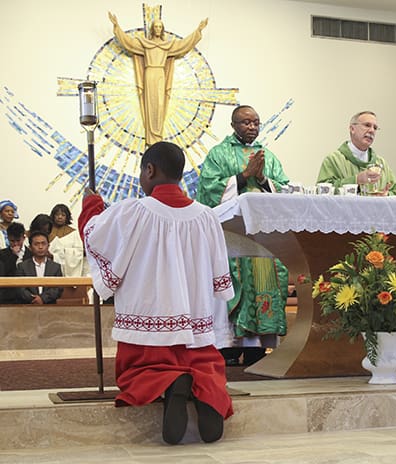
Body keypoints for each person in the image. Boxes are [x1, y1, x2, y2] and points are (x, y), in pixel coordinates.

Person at [79, 141, 235, 445]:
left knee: (140, 369)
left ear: (149, 170)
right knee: (204, 364)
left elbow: (94, 234)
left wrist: (91, 205)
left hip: (148, 322)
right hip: (194, 321)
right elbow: (220, 277)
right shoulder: (206, 216)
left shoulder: (132, 211)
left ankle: (171, 381)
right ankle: (209, 394)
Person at [197, 105, 289, 367]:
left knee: (264, 284)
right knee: (232, 283)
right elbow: (207, 190)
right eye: (246, 122)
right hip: (232, 237)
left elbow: (284, 187)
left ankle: (256, 348)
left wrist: (262, 180)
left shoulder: (268, 156)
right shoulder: (218, 154)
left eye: (256, 122)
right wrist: (242, 177)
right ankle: (228, 347)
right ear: (233, 125)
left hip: (262, 238)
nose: (252, 127)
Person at [108, 12, 208, 146]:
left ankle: (157, 134)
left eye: (160, 27)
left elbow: (184, 44)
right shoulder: (145, 44)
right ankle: (150, 136)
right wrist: (117, 26)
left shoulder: (168, 46)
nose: (158, 29)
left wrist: (198, 31)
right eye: (156, 27)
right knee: (150, 104)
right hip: (149, 74)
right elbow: (128, 43)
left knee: (160, 105)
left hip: (161, 74)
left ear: (162, 29)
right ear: (152, 29)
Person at [316, 111, 396, 195]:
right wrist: (356, 180)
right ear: (352, 129)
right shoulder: (333, 160)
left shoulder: (381, 163)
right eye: (367, 125)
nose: (372, 130)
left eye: (375, 128)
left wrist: (386, 195)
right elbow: (321, 192)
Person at [16, 231, 63, 304]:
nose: (40, 247)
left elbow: (58, 289)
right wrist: (33, 299)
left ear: (48, 246)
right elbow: (20, 288)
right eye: (36, 244)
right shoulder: (22, 266)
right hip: (28, 306)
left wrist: (42, 299)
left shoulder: (55, 267)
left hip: (50, 306)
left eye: (43, 243)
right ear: (30, 247)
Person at [48, 204, 86, 278]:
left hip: (67, 270)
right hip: (49, 268)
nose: (60, 217)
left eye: (63, 215)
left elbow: (79, 252)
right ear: (53, 216)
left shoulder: (74, 233)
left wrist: (63, 254)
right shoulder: (48, 231)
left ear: (67, 217)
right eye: (57, 215)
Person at [0, 222, 31, 304]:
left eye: (18, 240)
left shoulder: (31, 254)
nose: (15, 244)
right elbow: (3, 274)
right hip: (7, 297)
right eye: (12, 241)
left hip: (28, 296)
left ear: (24, 238)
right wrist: (13, 256)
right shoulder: (2, 254)